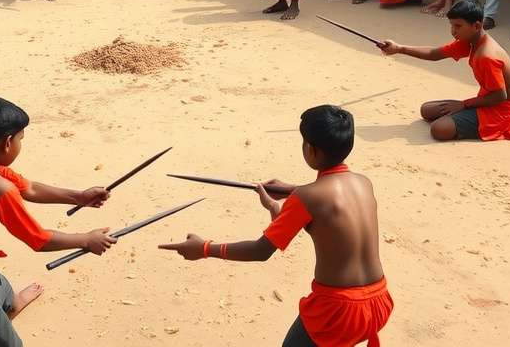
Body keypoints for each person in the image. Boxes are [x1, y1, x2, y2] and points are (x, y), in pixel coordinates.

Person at [160, 104, 394, 347]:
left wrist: (204, 248)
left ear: (311, 149)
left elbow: (261, 251)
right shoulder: (363, 183)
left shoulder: (307, 198)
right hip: (378, 303)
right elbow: (331, 204)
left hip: (337, 311)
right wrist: (287, 195)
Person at [0, 97, 115, 347]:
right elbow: (39, 240)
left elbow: (31, 188)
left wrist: (78, 197)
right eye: (21, 139)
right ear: (7, 143)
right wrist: (87, 240)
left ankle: (12, 305)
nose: (20, 144)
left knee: (0, 284)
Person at [380, 0, 510, 141]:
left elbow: (500, 96)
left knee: (439, 129)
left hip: (502, 111)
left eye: (458, 26)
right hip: (488, 101)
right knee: (426, 110)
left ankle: (467, 119)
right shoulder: (470, 40)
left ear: (476, 26)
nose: (453, 31)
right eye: (451, 25)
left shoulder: (487, 56)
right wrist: (399, 48)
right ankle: (461, 116)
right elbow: (435, 54)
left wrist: (464, 105)